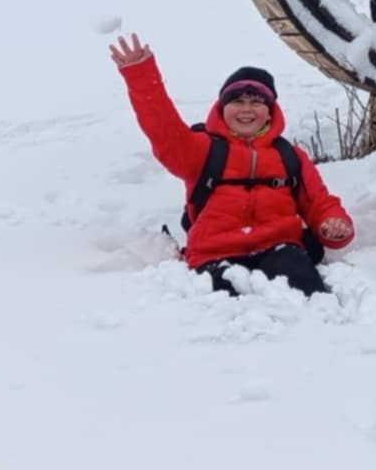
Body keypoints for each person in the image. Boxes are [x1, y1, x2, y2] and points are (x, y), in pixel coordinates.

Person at [110, 35, 355, 296]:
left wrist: (333, 223)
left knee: (306, 292)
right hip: (215, 255)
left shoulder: (290, 155)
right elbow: (163, 130)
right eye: (237, 101)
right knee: (225, 307)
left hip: (280, 249)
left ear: (271, 110)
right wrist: (142, 78)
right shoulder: (202, 149)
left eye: (256, 102)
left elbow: (319, 202)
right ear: (222, 107)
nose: (246, 109)